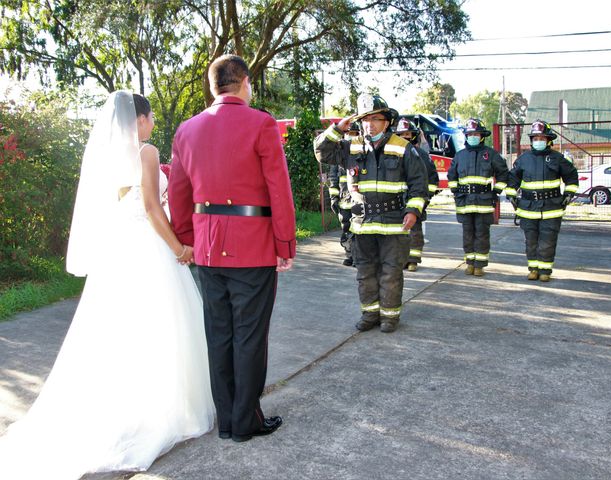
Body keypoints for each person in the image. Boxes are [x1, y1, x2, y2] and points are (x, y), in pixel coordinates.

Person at [0, 91, 214, 479]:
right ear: (142, 120)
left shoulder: (105, 159)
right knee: (162, 329)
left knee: (118, 333)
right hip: (149, 250)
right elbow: (151, 207)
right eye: (149, 119)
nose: (151, 126)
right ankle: (161, 411)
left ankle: (125, 409)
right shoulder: (145, 152)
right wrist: (180, 247)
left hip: (118, 253)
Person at [168, 54, 296, 443]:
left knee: (219, 334)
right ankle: (245, 421)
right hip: (253, 246)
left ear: (212, 86)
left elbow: (178, 191)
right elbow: (279, 188)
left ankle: (227, 420)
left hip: (208, 248)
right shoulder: (261, 123)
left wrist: (187, 238)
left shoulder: (186, 130)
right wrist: (284, 242)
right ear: (244, 82)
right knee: (250, 335)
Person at [314, 95, 427, 333]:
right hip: (362, 225)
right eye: (365, 119)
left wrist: (413, 211)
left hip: (394, 224)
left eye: (376, 119)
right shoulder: (350, 147)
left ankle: (389, 318)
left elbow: (419, 184)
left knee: (390, 273)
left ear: (387, 122)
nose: (370, 124)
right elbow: (321, 152)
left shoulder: (402, 147)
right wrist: (336, 129)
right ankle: (370, 315)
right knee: (365, 274)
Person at [505, 119, 579, 282]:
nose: (538, 141)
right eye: (535, 138)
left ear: (549, 140)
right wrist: (511, 195)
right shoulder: (523, 159)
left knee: (547, 240)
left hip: (552, 208)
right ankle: (533, 269)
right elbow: (512, 180)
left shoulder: (558, 159)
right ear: (532, 140)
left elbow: (572, 177)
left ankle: (545, 271)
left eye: (542, 138)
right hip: (528, 208)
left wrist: (568, 194)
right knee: (531, 241)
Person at [447, 118, 509, 277]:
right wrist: (457, 193)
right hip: (465, 202)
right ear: (466, 136)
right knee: (467, 234)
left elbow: (503, 174)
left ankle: (480, 265)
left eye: (475, 134)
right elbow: (452, 176)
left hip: (484, 202)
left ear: (482, 136)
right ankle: (469, 263)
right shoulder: (460, 156)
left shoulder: (491, 154)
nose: (472, 136)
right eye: (470, 134)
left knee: (482, 234)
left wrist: (496, 192)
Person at [395, 118, 440, 272]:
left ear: (414, 135)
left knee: (414, 232)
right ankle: (400, 260)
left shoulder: (422, 155)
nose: (404, 137)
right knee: (397, 233)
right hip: (395, 202)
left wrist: (424, 199)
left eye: (407, 133)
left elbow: (433, 180)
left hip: (415, 200)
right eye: (400, 134)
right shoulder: (390, 155)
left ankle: (413, 260)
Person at [328, 122, 359, 266]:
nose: (350, 137)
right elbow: (333, 179)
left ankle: (359, 257)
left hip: (359, 202)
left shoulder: (363, 153)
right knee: (346, 229)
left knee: (358, 230)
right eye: (348, 133)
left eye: (354, 134)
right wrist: (333, 197)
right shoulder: (338, 155)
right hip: (344, 201)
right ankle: (349, 255)